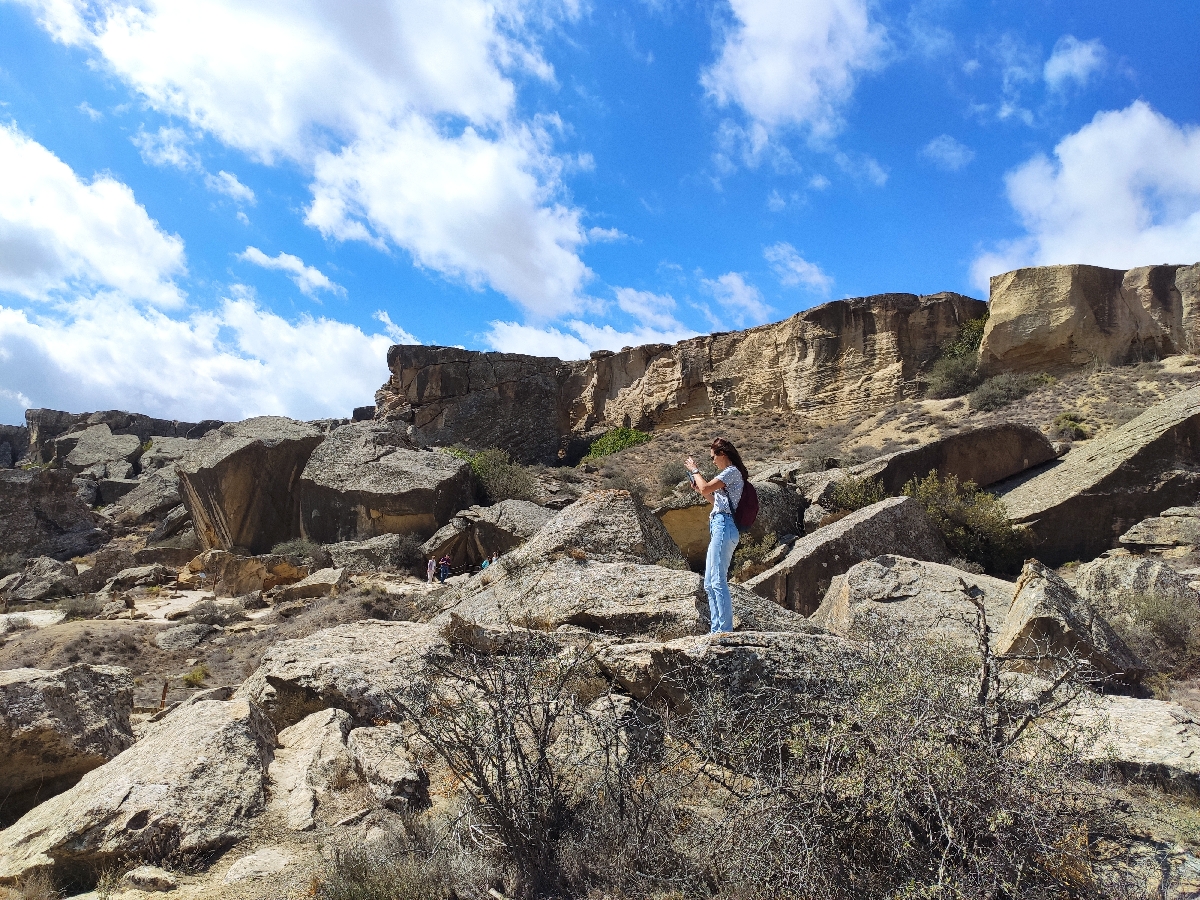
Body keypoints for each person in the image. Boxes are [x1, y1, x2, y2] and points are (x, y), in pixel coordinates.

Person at [685, 438, 747, 635]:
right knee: (709, 582)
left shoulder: (731, 472)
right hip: (720, 524)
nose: (712, 461)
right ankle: (717, 629)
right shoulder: (728, 474)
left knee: (717, 580)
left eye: (713, 457)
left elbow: (706, 487)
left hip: (724, 525)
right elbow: (714, 499)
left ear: (723, 454)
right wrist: (699, 489)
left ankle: (725, 630)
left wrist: (695, 470)